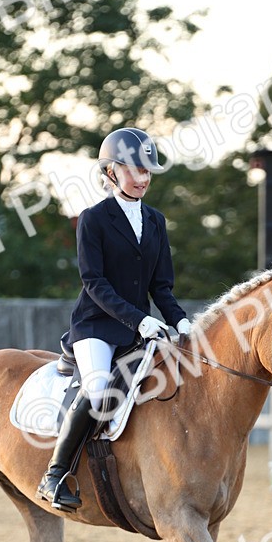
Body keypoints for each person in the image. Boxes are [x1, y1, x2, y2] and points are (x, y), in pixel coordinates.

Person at [37, 126, 191, 510]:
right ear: (110, 172)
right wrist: (139, 320)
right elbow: (94, 283)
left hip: (140, 331)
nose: (143, 179)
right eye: (134, 170)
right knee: (99, 386)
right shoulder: (93, 219)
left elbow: (162, 286)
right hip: (97, 327)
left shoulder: (156, 221)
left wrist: (183, 322)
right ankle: (55, 474)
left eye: (147, 171)